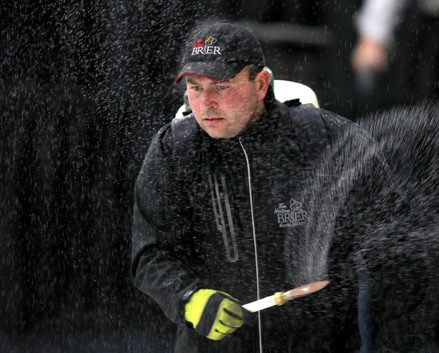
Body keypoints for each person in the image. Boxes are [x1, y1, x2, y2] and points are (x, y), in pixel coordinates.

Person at [131, 21, 396, 353]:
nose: (206, 102)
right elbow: (149, 254)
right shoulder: (174, 151)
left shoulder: (326, 140)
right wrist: (188, 298)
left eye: (221, 86)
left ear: (260, 84)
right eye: (195, 88)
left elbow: (395, 241)